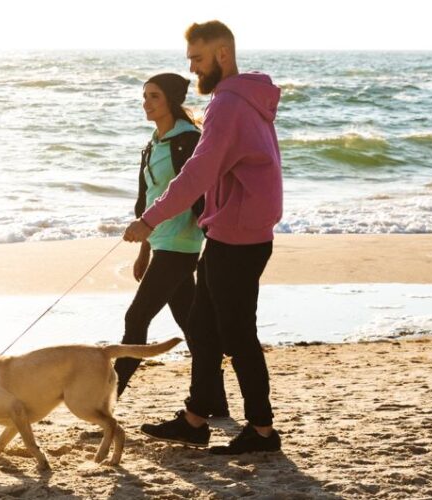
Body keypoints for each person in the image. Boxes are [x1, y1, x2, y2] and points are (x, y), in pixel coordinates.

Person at [121, 19, 287, 456]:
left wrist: (150, 221)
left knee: (237, 334)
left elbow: (197, 172)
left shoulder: (229, 103)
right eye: (190, 59)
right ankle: (195, 420)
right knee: (202, 326)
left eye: (197, 58)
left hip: (238, 234)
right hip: (234, 229)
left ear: (222, 55)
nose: (193, 69)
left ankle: (263, 431)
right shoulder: (246, 99)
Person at [116, 73, 206, 400]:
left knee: (136, 317)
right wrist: (144, 251)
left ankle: (107, 399)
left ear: (171, 99)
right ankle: (215, 400)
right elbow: (146, 201)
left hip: (182, 243)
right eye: (144, 96)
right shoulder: (152, 144)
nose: (146, 103)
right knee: (191, 326)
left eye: (154, 96)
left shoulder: (190, 140)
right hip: (161, 243)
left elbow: (198, 194)